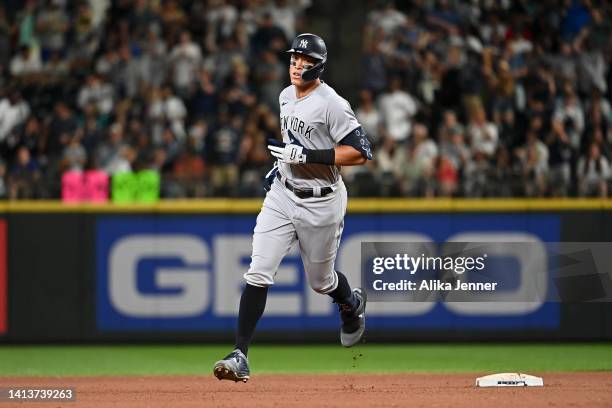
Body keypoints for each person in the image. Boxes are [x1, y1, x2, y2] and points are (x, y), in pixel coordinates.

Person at [213, 33, 373, 382]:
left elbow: (361, 152)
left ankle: (350, 305)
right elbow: (295, 144)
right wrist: (285, 164)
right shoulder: (285, 96)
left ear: (319, 66)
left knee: (320, 281)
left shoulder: (332, 103)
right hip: (283, 195)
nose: (297, 65)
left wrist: (309, 156)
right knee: (259, 269)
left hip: (323, 201)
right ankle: (240, 355)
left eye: (305, 61)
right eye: (293, 60)